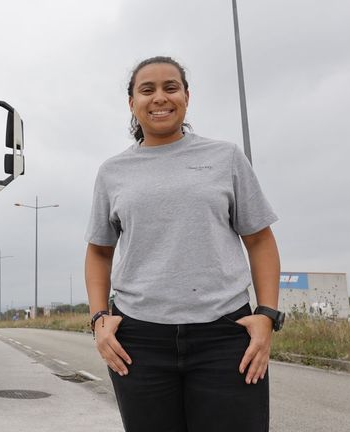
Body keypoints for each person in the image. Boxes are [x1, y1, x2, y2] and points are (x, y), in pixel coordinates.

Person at [84, 56, 282, 432]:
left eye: (170, 87)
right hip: (139, 340)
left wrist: (267, 316)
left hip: (226, 335)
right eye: (147, 89)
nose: (160, 97)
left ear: (186, 97)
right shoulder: (112, 172)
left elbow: (259, 239)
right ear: (132, 103)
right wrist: (98, 319)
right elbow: (99, 251)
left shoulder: (225, 157)